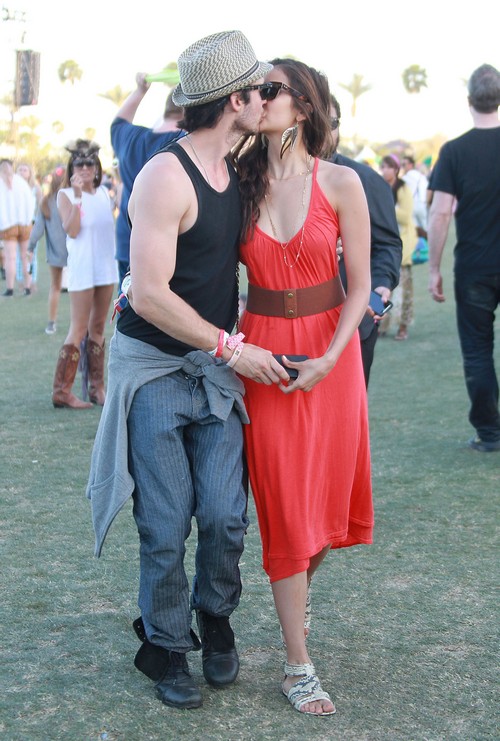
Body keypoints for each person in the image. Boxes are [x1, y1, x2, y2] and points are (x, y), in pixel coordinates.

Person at [86, 30, 289, 711]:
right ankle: (168, 647)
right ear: (234, 100)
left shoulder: (238, 166)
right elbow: (148, 294)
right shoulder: (165, 175)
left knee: (227, 516)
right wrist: (231, 348)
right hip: (157, 371)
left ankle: (216, 619)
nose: (267, 99)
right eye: (261, 89)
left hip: (212, 370)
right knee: (167, 522)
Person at [233, 58, 373, 716]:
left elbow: (361, 287)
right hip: (262, 355)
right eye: (252, 89)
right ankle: (298, 664)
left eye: (269, 89)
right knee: (286, 505)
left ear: (304, 104)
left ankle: (296, 603)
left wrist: (330, 358)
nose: (256, 98)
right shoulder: (237, 182)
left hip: (332, 358)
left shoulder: (341, 182)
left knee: (320, 509)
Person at [428, 63, 500, 452]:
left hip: (475, 268)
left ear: (470, 100)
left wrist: (434, 269)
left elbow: (440, 214)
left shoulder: (454, 151)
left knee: (477, 350)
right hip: (477, 268)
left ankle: (490, 433)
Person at [329, 94, 402, 385]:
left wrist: (382, 282)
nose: (326, 130)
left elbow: (387, 243)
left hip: (357, 320)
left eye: (332, 123)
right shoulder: (273, 178)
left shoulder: (366, 180)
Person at [52, 140, 117, 409]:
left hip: (105, 266)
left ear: (97, 166)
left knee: (98, 327)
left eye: (90, 162)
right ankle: (62, 391)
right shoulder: (65, 194)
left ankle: (97, 388)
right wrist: (78, 196)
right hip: (82, 268)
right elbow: (73, 229)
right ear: (72, 167)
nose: (85, 167)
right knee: (78, 328)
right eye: (79, 163)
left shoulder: (103, 194)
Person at [111, 74, 185, 285]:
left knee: (128, 301)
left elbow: (118, 122)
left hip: (128, 242)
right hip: (168, 249)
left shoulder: (130, 138)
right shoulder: (185, 142)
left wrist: (140, 90)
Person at [28, 166, 68, 334]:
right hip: (76, 253)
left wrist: (30, 247)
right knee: (82, 288)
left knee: (55, 287)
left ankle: (51, 323)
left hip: (56, 253)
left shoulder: (46, 202)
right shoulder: (76, 198)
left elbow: (37, 230)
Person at [379, 154, 416, 340]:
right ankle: (382, 324)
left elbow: (406, 216)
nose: (385, 170)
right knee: (383, 287)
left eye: (388, 167)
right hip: (383, 244)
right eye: (383, 167)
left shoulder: (403, 187)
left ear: (395, 169)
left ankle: (403, 327)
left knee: (404, 290)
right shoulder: (379, 186)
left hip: (403, 244)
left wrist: (386, 207)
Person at [0, 158, 33, 296]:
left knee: (10, 258)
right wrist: (28, 220)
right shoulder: (21, 182)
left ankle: (10, 288)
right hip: (25, 224)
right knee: (25, 257)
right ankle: (27, 287)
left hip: (7, 225)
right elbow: (30, 203)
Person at [16, 162, 42, 289]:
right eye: (20, 170)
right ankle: (21, 281)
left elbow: (42, 206)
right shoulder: (13, 187)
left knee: (31, 253)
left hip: (31, 223)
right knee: (18, 255)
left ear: (30, 173)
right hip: (16, 224)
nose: (22, 172)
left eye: (25, 170)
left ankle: (32, 281)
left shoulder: (35, 188)